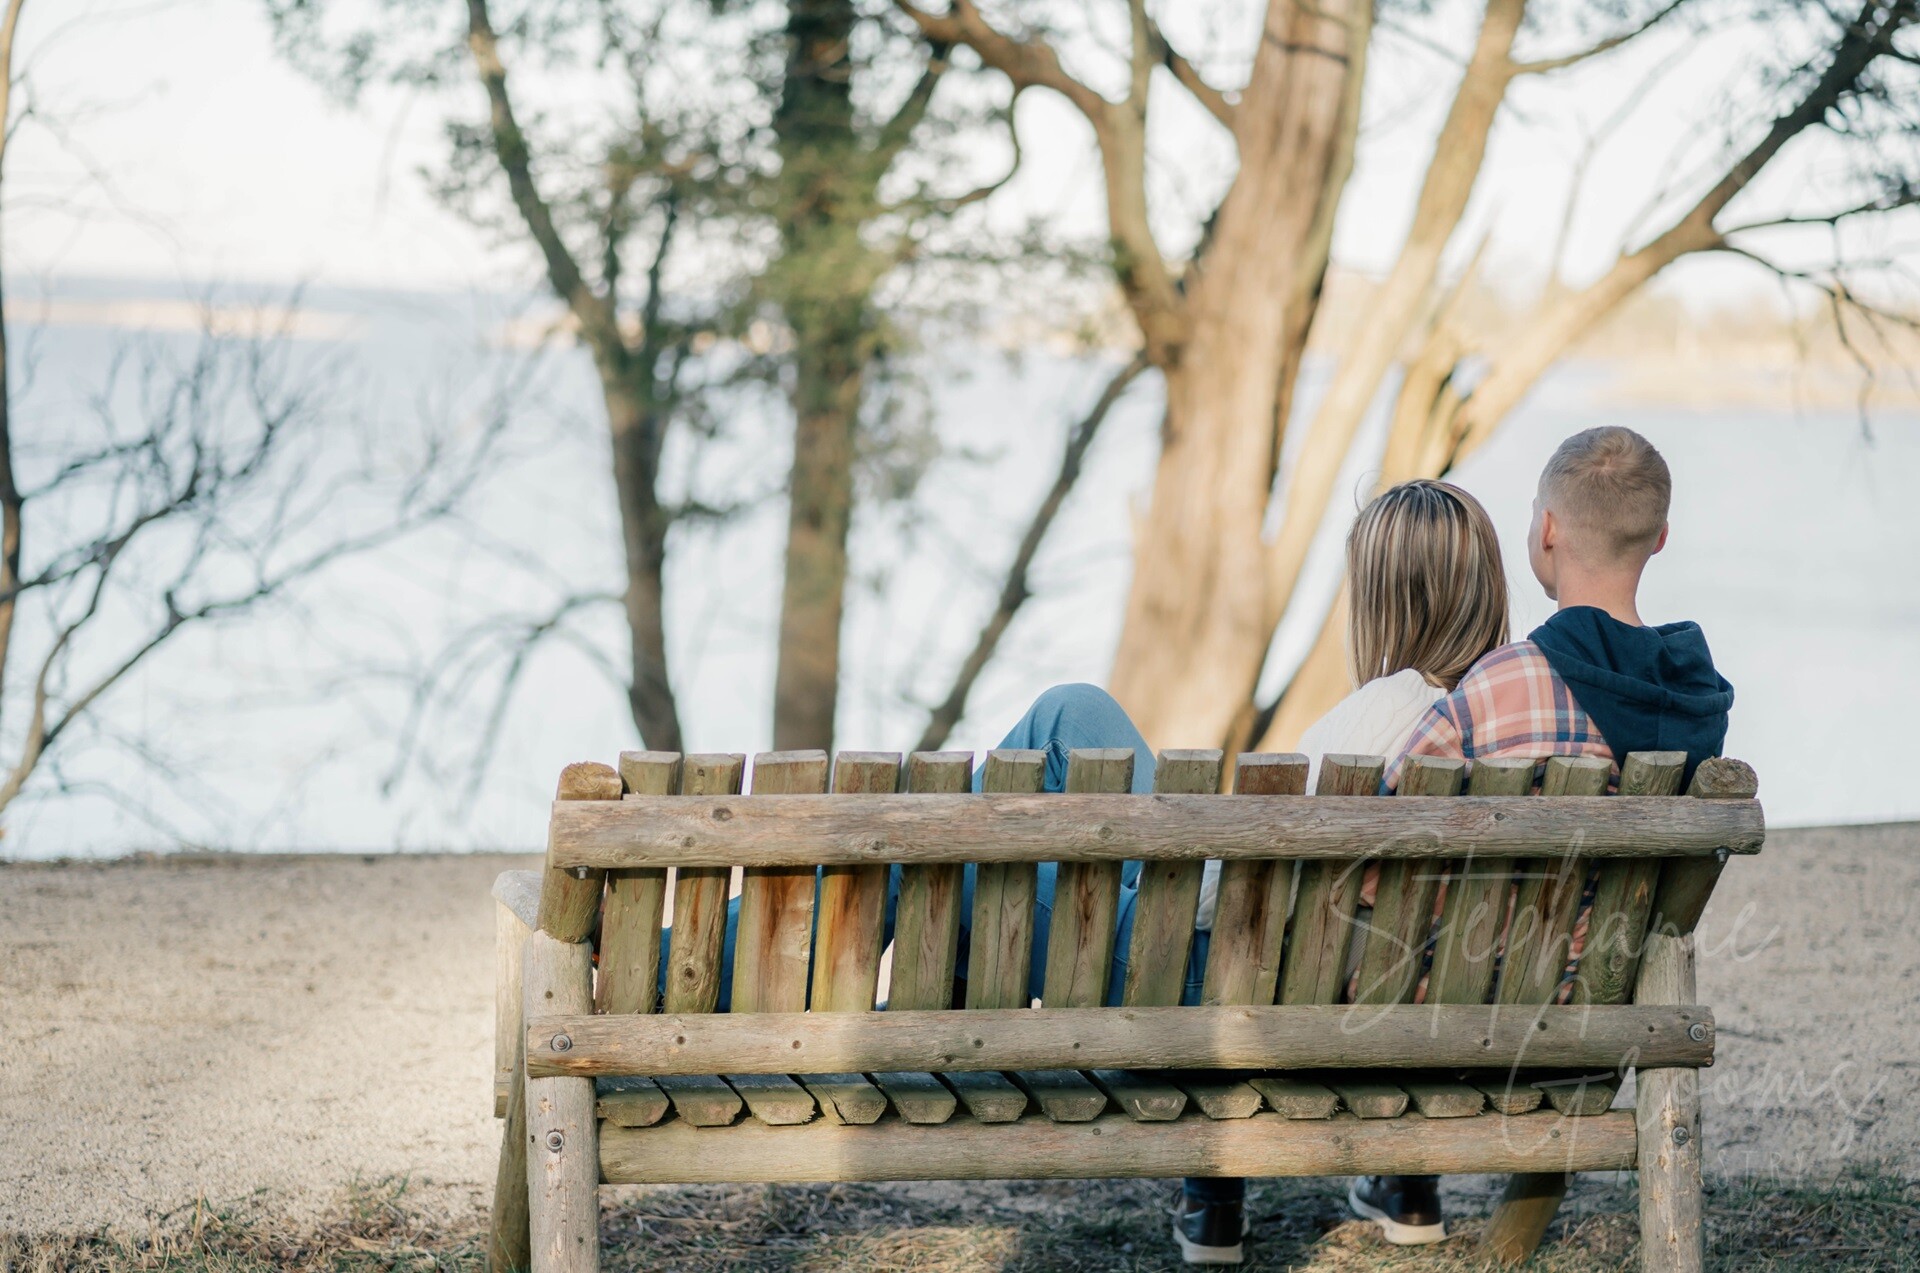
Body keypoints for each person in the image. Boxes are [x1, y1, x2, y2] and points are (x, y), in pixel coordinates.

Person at [986, 480, 1512, 1265]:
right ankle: (1403, 1182)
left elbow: (1208, 899)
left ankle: (864, 978)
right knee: (1072, 730)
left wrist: (1161, 846)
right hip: (1396, 1017)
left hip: (1209, 997)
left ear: (1383, 599)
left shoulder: (1371, 718)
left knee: (1045, 753)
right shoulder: (1510, 713)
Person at [1351, 426, 1735, 1249]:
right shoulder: (1701, 711)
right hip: (1592, 1029)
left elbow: (1374, 855)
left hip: (1452, 1019)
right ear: (1659, 538)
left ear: (1548, 531)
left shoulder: (1499, 687)